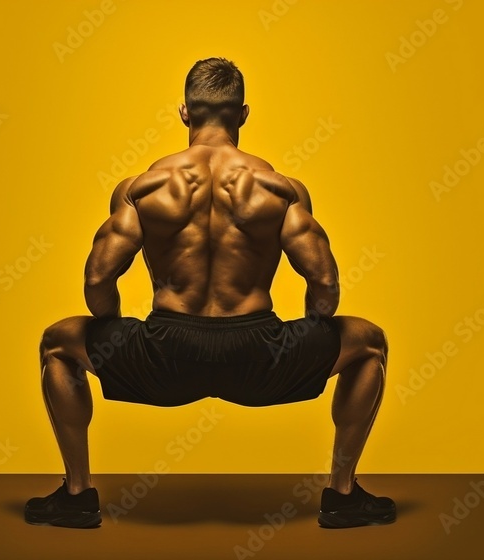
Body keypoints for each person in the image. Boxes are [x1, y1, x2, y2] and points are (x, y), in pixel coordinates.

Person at [25, 57, 393, 529]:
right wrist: (309, 339)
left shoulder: (143, 188)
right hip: (261, 356)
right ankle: (342, 496)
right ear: (242, 114)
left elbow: (97, 279)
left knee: (58, 342)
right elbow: (325, 284)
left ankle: (77, 496)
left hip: (165, 357)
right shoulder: (280, 189)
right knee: (370, 342)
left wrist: (111, 328)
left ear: (184, 113)